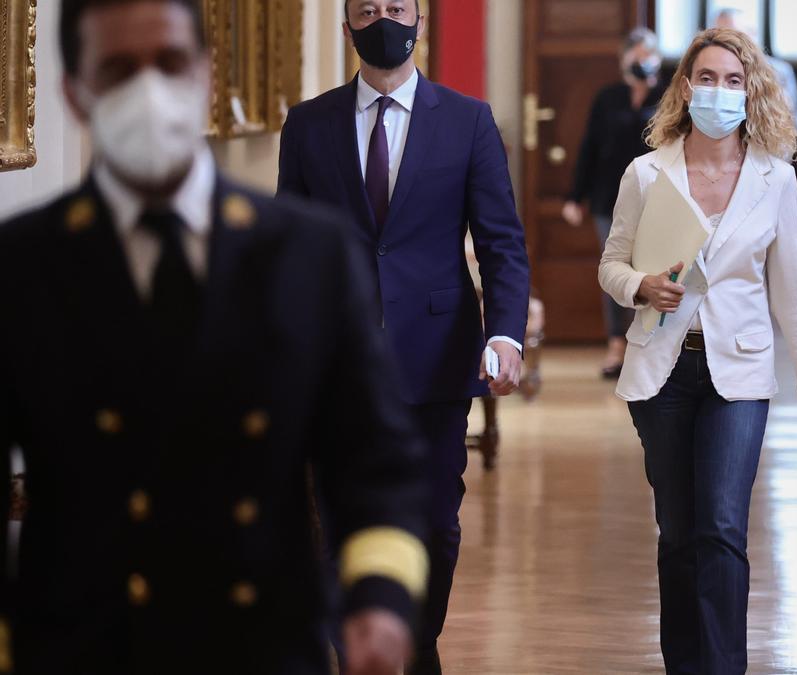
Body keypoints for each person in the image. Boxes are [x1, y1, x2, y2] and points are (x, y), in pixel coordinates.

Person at [0, 1, 430, 673]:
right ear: (74, 94)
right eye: (117, 70)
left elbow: (376, 459)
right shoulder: (24, 268)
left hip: (264, 644)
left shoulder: (308, 256)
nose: (148, 92)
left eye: (170, 63)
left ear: (204, 75)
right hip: (83, 647)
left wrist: (378, 597)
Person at [277, 1, 531, 672]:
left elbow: (502, 243)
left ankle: (414, 643)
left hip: (437, 358)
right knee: (338, 525)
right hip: (339, 363)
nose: (383, 18)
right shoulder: (308, 126)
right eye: (368, 8)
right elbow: (289, 251)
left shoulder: (469, 121)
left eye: (397, 7)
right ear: (348, 27)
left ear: (418, 20)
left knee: (434, 525)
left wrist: (506, 333)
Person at [599, 28, 797, 674]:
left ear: (752, 92)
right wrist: (638, 285)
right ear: (685, 87)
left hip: (741, 370)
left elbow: (795, 291)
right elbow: (610, 265)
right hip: (663, 368)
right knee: (679, 533)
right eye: (707, 78)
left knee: (724, 526)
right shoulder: (646, 174)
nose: (719, 92)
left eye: (733, 81)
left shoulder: (774, 180)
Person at [562, 27, 664, 379]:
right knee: (617, 270)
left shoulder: (668, 96)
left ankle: (648, 345)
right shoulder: (607, 97)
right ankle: (616, 344)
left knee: (651, 269)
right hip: (610, 198)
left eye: (646, 57)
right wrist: (575, 197)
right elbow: (589, 147)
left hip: (658, 200)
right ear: (623, 60)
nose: (640, 64)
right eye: (634, 58)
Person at [712, 7, 797, 132]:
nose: (727, 43)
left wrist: (782, 107)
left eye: (735, 35)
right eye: (719, 36)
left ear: (752, 34)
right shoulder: (708, 70)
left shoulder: (780, 71)